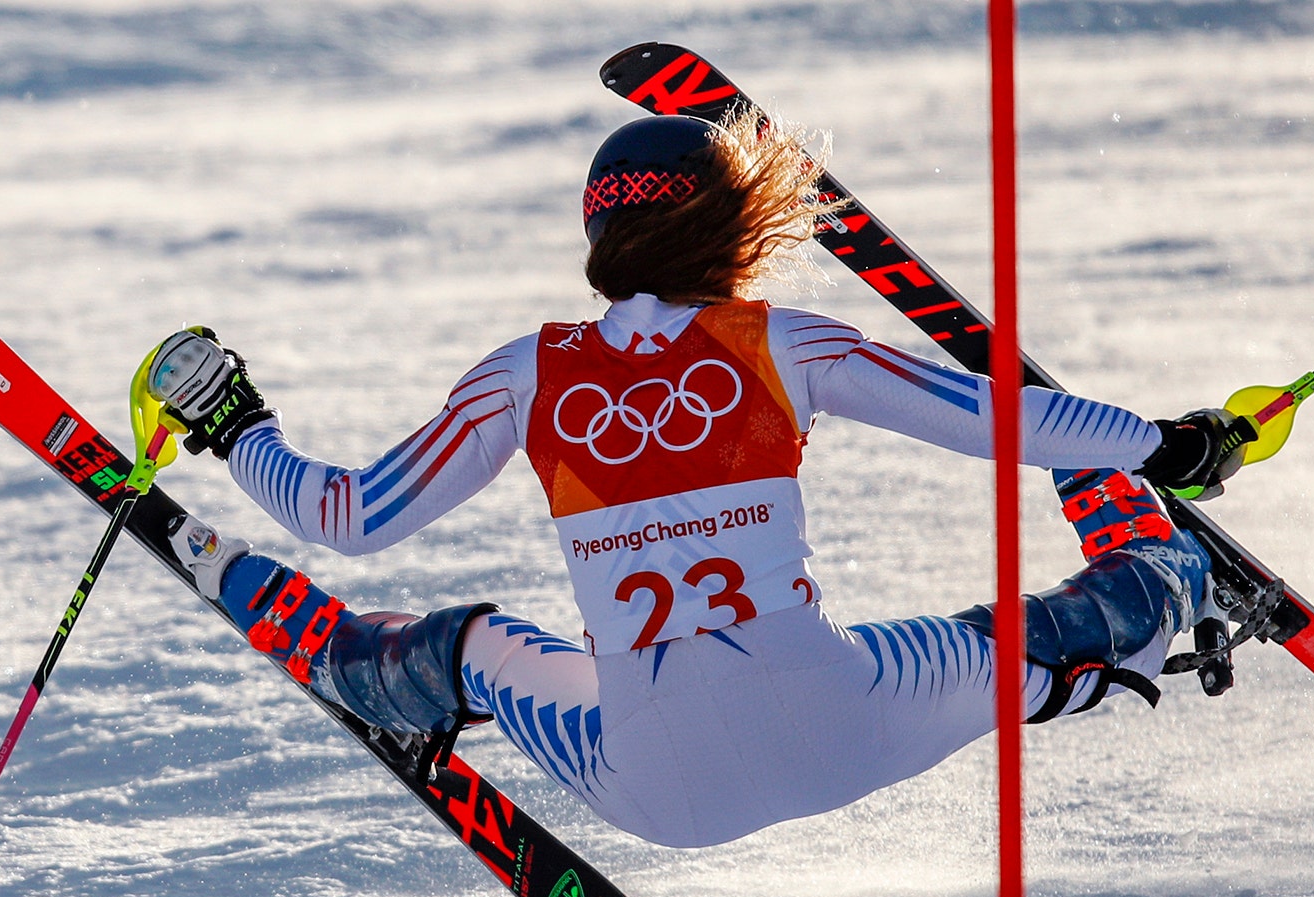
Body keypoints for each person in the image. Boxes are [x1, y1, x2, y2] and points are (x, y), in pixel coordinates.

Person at [141, 110, 1249, 848]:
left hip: (659, 787)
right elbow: (1003, 418)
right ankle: (1170, 580)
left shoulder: (528, 373)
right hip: (846, 720)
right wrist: (1173, 444)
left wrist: (237, 426)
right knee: (1057, 633)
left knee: (474, 649)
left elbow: (347, 517)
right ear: (730, 227)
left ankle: (357, 669)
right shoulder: (783, 345)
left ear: (598, 230)